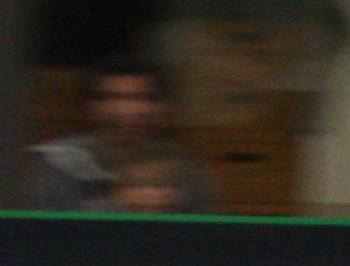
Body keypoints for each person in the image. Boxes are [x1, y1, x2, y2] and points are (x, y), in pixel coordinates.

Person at [25, 62, 211, 214]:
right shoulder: (55, 162)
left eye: (143, 98)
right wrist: (116, 204)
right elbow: (40, 234)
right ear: (90, 106)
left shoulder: (184, 166)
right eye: (113, 97)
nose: (129, 110)